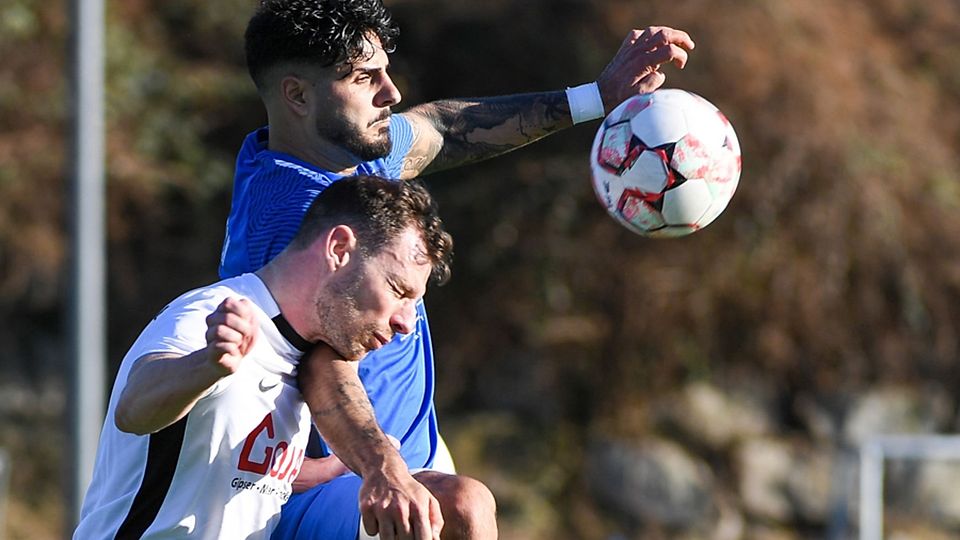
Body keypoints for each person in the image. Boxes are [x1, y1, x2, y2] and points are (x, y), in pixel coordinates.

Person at [222, 1, 694, 538]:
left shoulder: (344, 152)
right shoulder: (294, 219)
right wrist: (385, 470)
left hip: (404, 461)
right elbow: (322, 366)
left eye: (384, 70)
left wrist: (597, 98)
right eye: (363, 78)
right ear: (297, 95)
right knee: (466, 506)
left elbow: (441, 128)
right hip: (323, 487)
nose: (391, 93)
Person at [73, 176, 454, 540]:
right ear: (339, 249)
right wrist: (204, 366)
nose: (406, 323)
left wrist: (338, 469)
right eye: (397, 289)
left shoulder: (298, 355)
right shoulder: (213, 314)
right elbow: (133, 408)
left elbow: (233, 472)